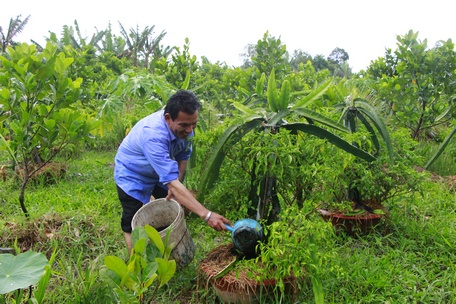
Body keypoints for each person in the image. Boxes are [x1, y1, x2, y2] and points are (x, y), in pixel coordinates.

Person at [114, 90, 231, 253]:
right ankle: (137, 262)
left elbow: (183, 156)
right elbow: (173, 183)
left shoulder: (187, 128)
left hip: (158, 171)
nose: (190, 130)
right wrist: (207, 215)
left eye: (194, 124)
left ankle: (167, 253)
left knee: (170, 207)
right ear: (168, 118)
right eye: (184, 125)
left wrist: (176, 182)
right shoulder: (153, 135)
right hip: (133, 172)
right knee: (132, 220)